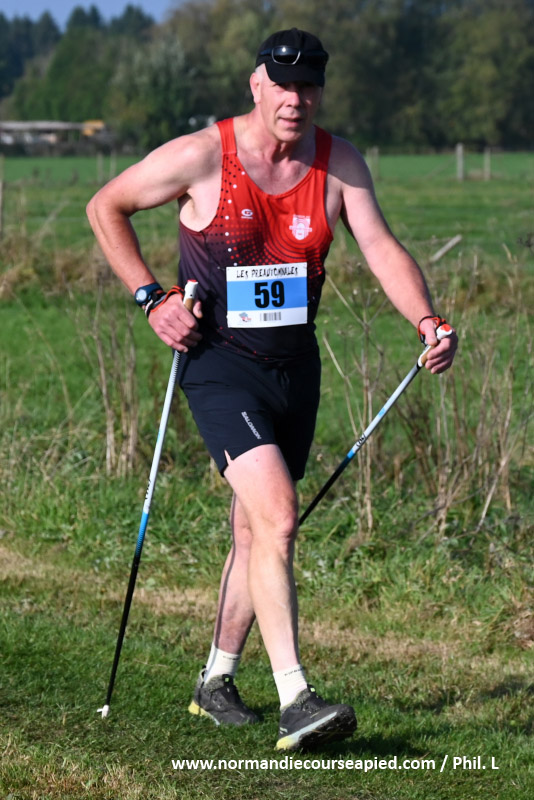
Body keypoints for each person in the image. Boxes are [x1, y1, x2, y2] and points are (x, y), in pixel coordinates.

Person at [87, 27, 458, 751]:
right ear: (257, 84)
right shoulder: (205, 154)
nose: (295, 99)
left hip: (295, 367)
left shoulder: (338, 163)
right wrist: (151, 298)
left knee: (257, 529)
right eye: (283, 84)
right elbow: (106, 206)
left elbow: (379, 246)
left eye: (308, 86)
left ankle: (216, 680)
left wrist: (426, 319)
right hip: (219, 363)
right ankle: (297, 698)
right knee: (280, 516)